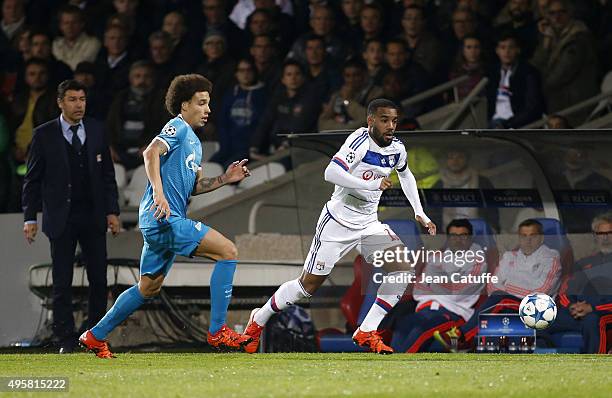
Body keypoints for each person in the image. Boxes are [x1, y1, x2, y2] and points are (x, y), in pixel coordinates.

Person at [242, 98, 437, 354]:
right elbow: (331, 173)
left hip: (368, 225)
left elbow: (405, 174)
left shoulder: (397, 149)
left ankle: (367, 330)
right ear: (370, 121)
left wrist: (419, 212)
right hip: (337, 223)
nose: (391, 126)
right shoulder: (359, 141)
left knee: (402, 270)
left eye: (394, 121)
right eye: (384, 120)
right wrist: (370, 185)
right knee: (306, 288)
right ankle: (258, 319)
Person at [79, 74, 252, 358]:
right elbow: (150, 153)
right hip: (164, 218)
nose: (207, 109)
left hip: (159, 221)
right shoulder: (178, 127)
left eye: (209, 103)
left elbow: (195, 186)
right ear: (184, 105)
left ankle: (94, 336)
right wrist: (158, 193)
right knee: (228, 251)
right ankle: (218, 330)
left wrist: (225, 178)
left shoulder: (194, 143)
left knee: (147, 287)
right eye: (201, 103)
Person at [22, 79, 121, 354]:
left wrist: (112, 211)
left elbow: (108, 177)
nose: (79, 105)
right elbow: (32, 181)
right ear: (60, 102)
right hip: (61, 217)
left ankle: (95, 336)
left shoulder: (97, 130)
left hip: (93, 215)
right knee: (62, 281)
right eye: (73, 100)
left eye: (82, 99)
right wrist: (30, 217)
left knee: (99, 280)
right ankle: (65, 338)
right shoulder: (44, 135)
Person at [435, 219, 561, 351]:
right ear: (519, 238)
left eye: (533, 236)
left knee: (501, 300)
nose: (528, 240)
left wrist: (507, 286)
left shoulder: (551, 258)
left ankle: (461, 337)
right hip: (509, 307)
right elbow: (493, 286)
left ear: (541, 238)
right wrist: (519, 288)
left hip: (536, 310)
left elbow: (540, 292)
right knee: (498, 303)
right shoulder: (509, 257)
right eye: (524, 236)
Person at [391, 219, 487, 352]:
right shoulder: (436, 256)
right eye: (453, 236)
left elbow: (457, 293)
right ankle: (391, 362)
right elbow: (418, 288)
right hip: (424, 309)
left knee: (421, 330)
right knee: (403, 325)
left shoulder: (478, 261)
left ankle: (397, 364)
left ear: (470, 238)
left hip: (453, 312)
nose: (458, 240)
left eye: (462, 235)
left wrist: (435, 282)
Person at [549, 213, 612, 353]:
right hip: (577, 312)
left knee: (592, 320)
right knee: (540, 321)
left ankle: (595, 368)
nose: (605, 237)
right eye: (601, 233)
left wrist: (592, 307)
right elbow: (564, 293)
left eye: (609, 233)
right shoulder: (584, 263)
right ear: (595, 236)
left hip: (603, 312)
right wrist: (572, 306)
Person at [487, 32, 544, 129]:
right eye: (503, 47)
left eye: (511, 47)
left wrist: (509, 124)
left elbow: (532, 106)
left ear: (518, 50)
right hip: (493, 122)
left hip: (516, 124)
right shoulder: (491, 72)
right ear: (497, 50)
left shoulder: (528, 73)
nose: (507, 52)